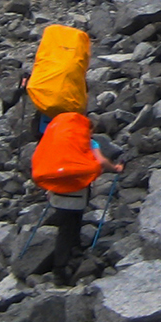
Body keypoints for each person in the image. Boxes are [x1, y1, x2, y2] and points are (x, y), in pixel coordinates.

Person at [29, 112, 124, 289]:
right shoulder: (88, 142)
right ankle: (60, 269)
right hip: (77, 194)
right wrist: (116, 168)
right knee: (69, 228)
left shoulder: (60, 141)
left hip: (57, 192)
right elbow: (102, 161)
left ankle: (72, 254)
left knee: (66, 225)